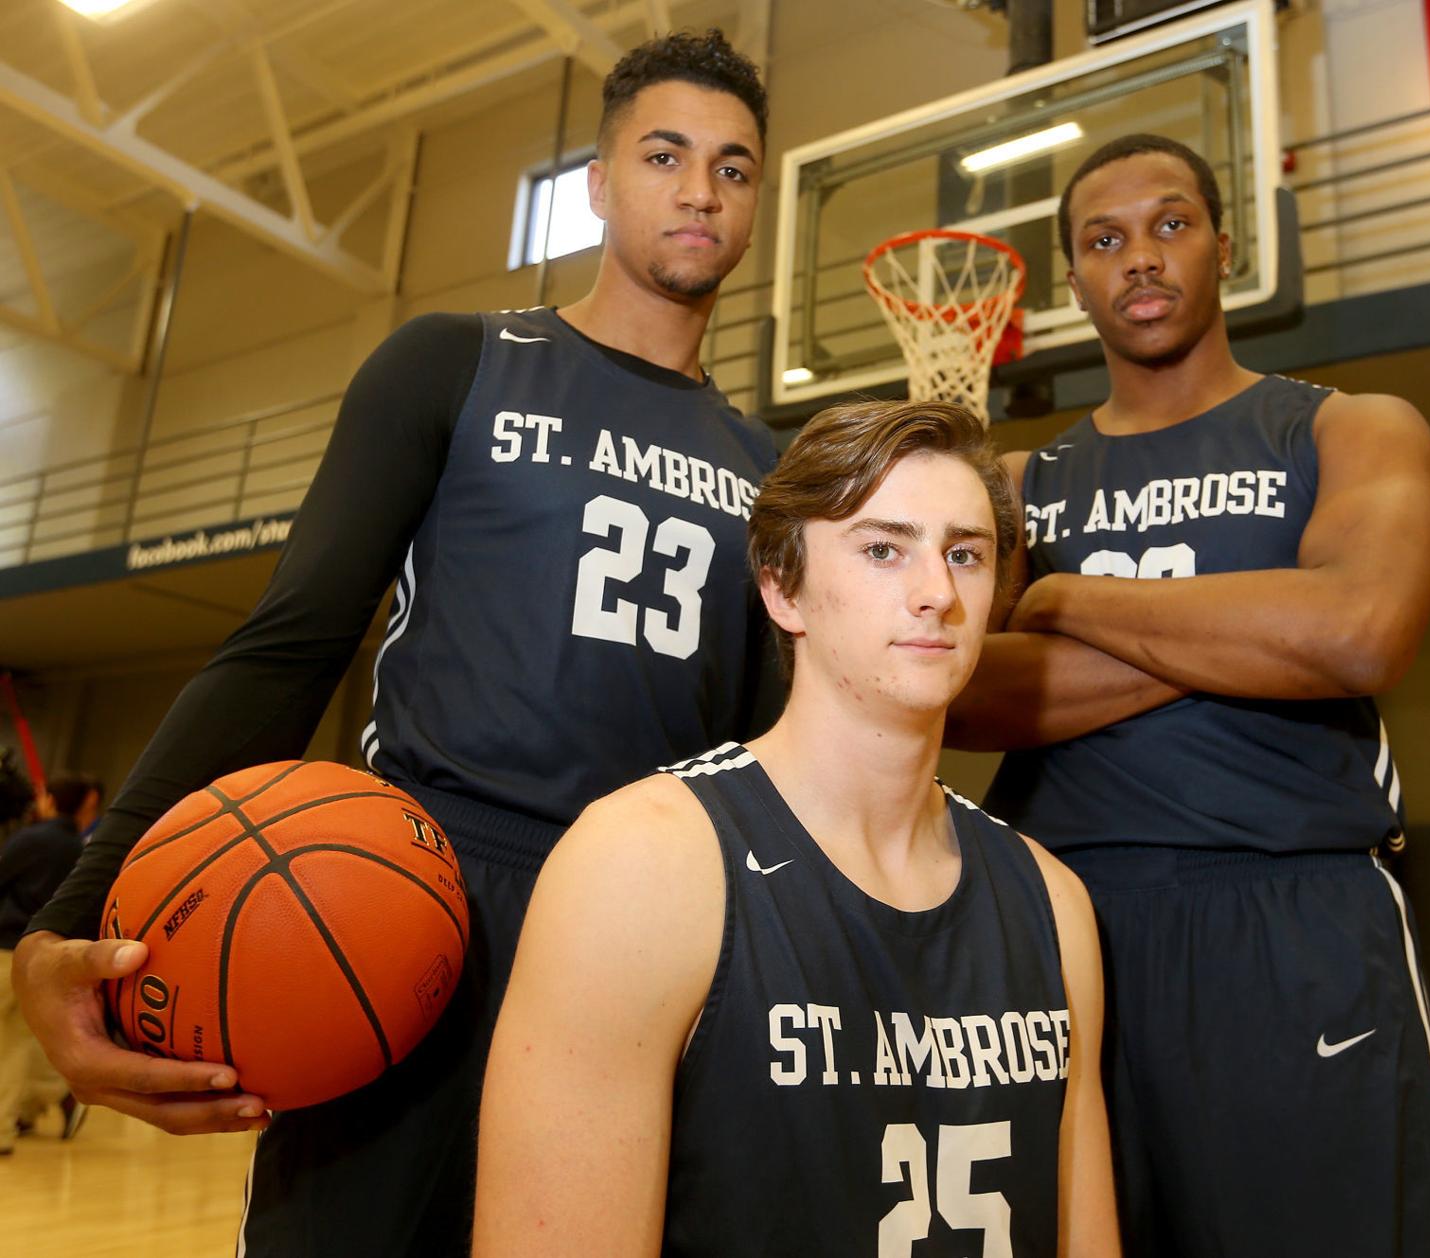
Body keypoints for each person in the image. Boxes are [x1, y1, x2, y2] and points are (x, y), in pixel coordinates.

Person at [14, 29, 776, 1257]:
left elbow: (765, 751)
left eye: (735, 168)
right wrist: (71, 910)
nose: (701, 190)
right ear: (598, 180)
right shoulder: (455, 362)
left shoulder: (769, 471)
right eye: (667, 154)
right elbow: (288, 643)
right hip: (418, 903)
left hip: (646, 928)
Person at [947, 133, 1430, 1256]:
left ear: (1227, 248)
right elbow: (962, 693)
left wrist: (1068, 599)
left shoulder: (1348, 426)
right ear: (1075, 279)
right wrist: (1255, 627)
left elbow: (1358, 632)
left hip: (1294, 915)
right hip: (1072, 922)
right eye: (1105, 238)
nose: (1141, 256)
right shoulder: (1027, 482)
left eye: (1171, 224)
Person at [474, 400, 1120, 1257]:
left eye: (965, 554)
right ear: (782, 588)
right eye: (884, 548)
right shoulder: (642, 864)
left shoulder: (1052, 901)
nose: (938, 593)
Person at [1, 773, 103, 1152]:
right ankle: (46, 1098)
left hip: (7, 950)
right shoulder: (83, 852)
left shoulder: (31, 840)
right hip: (48, 958)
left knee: (10, 1044)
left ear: (50, 801)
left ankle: (5, 1127)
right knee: (23, 1041)